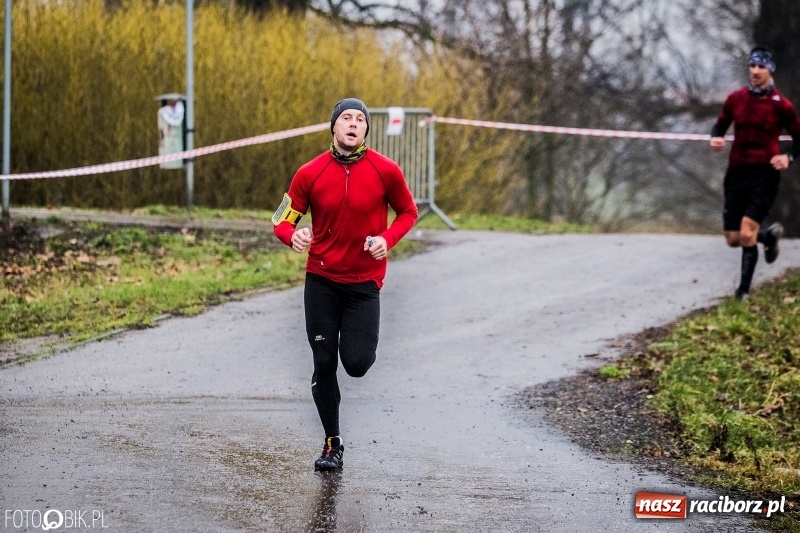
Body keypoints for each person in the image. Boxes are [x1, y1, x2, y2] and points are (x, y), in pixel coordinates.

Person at [272, 98, 418, 470]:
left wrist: (388, 239)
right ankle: (332, 444)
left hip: (363, 284)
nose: (353, 124)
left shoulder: (386, 171)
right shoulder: (310, 173)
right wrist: (293, 236)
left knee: (356, 363)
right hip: (321, 280)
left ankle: (354, 357)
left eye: (359, 120)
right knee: (323, 362)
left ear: (366, 130)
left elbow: (408, 212)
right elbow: (281, 220)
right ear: (334, 128)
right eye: (346, 118)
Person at [710, 46, 800, 300]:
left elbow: (799, 139)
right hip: (737, 172)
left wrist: (788, 157)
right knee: (732, 237)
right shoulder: (736, 99)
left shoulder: (782, 106)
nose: (756, 71)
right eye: (752, 66)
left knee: (747, 233)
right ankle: (768, 238)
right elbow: (719, 127)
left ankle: (743, 292)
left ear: (770, 70)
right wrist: (715, 139)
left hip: (764, 174)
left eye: (761, 67)